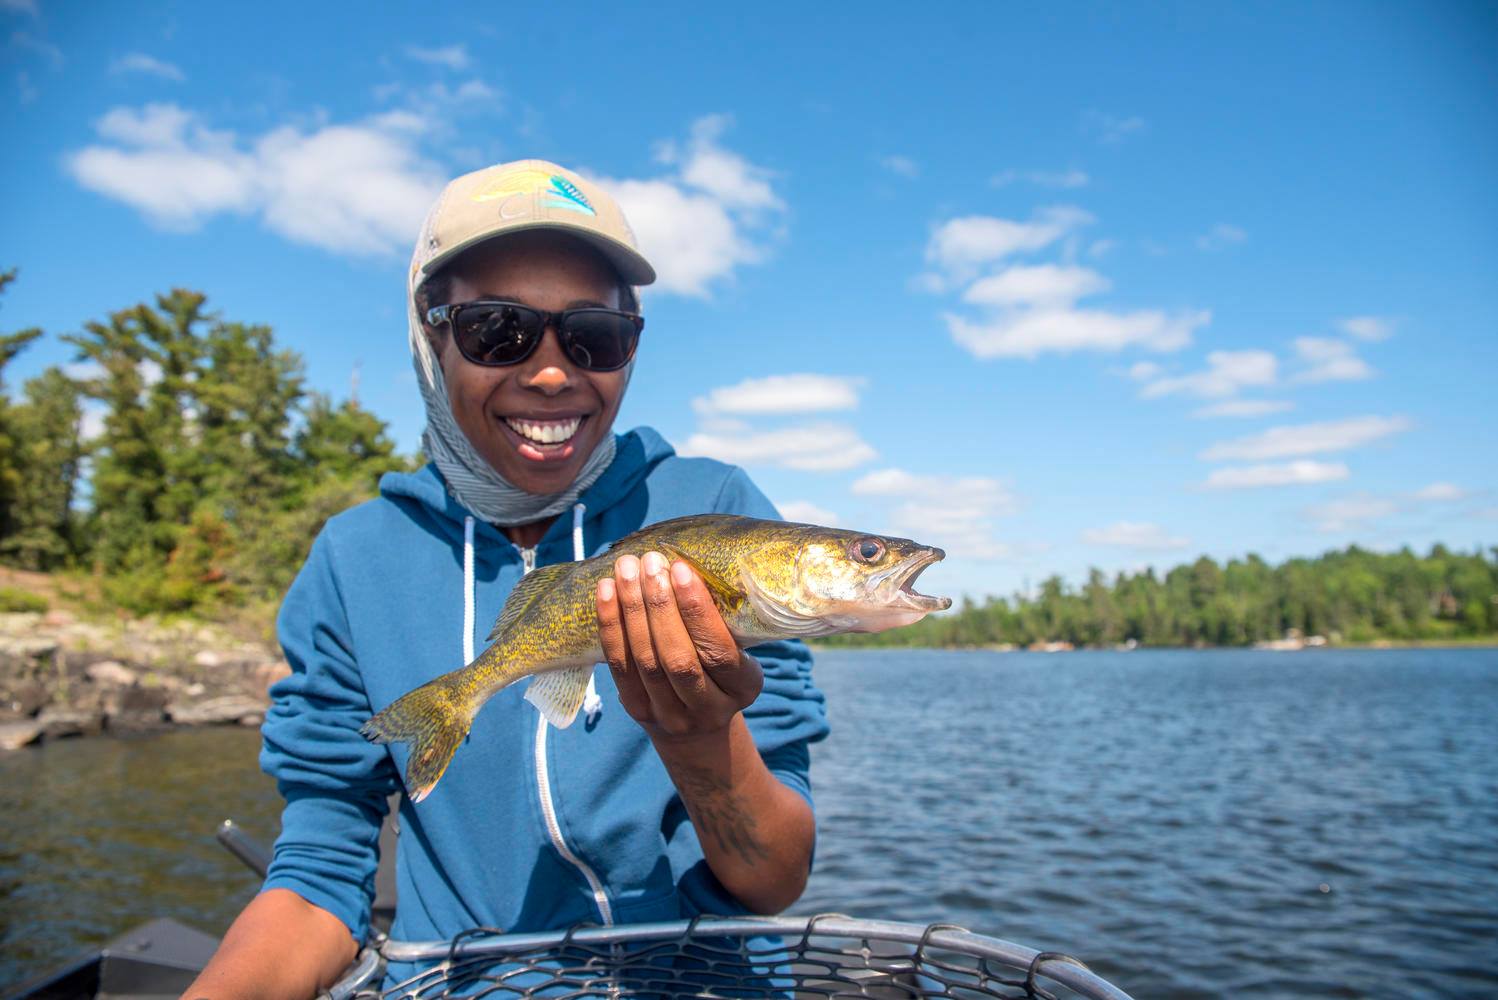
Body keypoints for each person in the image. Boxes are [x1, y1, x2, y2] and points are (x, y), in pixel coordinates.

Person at [185, 161, 829, 997]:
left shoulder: (718, 508)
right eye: (499, 330)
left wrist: (702, 741)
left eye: (594, 334)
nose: (554, 372)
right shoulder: (354, 561)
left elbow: (773, 881)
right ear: (432, 333)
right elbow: (318, 875)